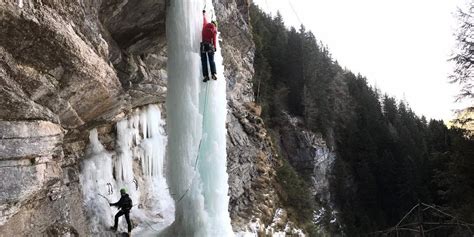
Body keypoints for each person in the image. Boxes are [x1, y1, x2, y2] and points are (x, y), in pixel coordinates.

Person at [201, 10, 218, 82]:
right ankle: (213, 74)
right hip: (210, 45)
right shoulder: (214, 29)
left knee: (204, 60)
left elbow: (204, 20)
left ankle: (206, 76)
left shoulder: (206, 25)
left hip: (203, 45)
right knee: (211, 60)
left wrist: (203, 14)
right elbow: (214, 38)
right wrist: (215, 47)